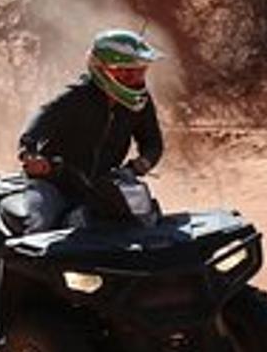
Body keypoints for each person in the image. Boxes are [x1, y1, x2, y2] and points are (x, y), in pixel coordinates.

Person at [8, 29, 165, 232]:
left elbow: (153, 142)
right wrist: (30, 154)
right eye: (126, 71)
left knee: (146, 223)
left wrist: (139, 165)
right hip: (55, 183)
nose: (135, 78)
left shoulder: (139, 102)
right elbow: (38, 123)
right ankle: (13, 261)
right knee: (37, 226)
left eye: (140, 71)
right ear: (102, 69)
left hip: (102, 185)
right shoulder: (75, 97)